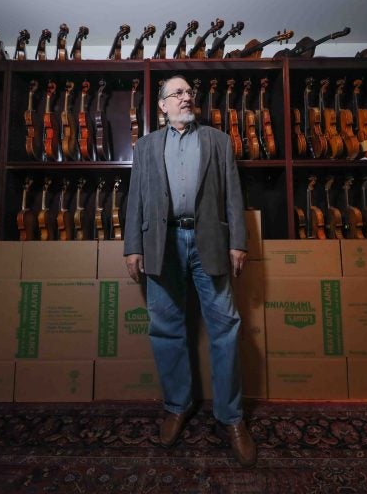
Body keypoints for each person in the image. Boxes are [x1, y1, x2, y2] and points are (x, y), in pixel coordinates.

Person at [123, 74, 256, 467]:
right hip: (160, 244)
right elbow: (135, 199)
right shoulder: (145, 147)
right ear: (162, 106)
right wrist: (133, 246)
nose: (186, 97)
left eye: (188, 92)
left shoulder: (217, 140)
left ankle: (230, 418)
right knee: (166, 327)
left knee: (225, 327)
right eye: (177, 93)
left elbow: (234, 191)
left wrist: (238, 241)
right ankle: (177, 406)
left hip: (208, 242)